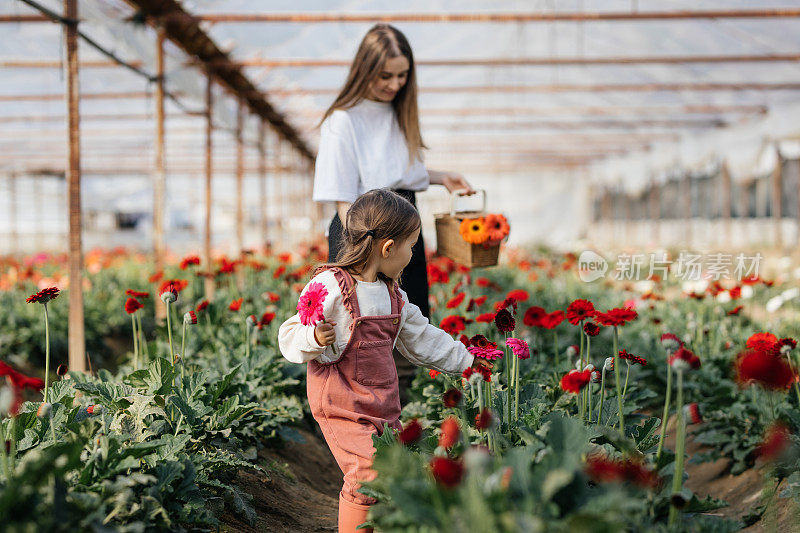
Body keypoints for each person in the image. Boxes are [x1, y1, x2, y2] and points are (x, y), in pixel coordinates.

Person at [278, 190, 491, 533]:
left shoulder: (394, 295)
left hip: (381, 404)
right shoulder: (330, 286)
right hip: (340, 401)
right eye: (411, 246)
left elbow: (425, 339)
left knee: (390, 470)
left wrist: (469, 362)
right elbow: (289, 333)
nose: (413, 255)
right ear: (388, 248)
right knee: (366, 474)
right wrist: (313, 338)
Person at [312, 24, 475, 403]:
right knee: (362, 323)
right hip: (363, 227)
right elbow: (342, 197)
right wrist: (368, 249)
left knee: (409, 316)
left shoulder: (399, 112)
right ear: (364, 70)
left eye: (402, 75)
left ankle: (409, 408)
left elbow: (400, 175)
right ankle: (357, 408)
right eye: (385, 75)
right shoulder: (343, 120)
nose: (394, 84)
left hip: (402, 223)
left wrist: (439, 177)